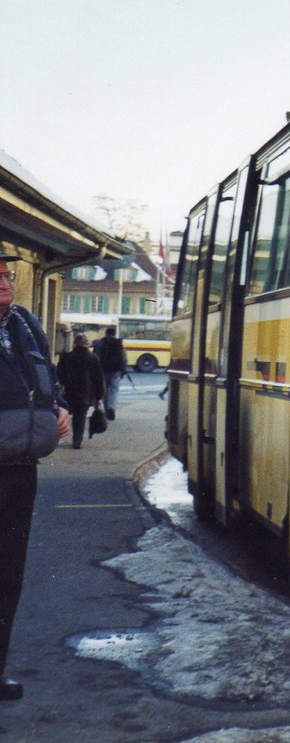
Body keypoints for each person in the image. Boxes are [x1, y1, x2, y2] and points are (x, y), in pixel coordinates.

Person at [0, 252, 71, 701]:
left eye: (5, 276)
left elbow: (47, 379)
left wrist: (57, 407)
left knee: (8, 574)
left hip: (21, 469)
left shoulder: (22, 325)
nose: (4, 284)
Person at [57, 334, 106, 449]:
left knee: (62, 415)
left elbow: (60, 374)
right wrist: (99, 395)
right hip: (86, 394)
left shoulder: (66, 357)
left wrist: (64, 383)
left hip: (68, 392)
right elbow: (99, 378)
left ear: (74, 343)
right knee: (80, 418)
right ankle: (77, 441)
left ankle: (56, 437)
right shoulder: (93, 358)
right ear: (87, 345)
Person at [92, 326, 127, 420]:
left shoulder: (100, 343)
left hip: (102, 370)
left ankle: (107, 410)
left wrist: (94, 371)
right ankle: (111, 407)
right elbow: (123, 358)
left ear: (106, 333)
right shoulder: (119, 344)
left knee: (104, 391)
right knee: (114, 390)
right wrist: (123, 370)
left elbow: (95, 358)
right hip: (116, 371)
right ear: (114, 334)